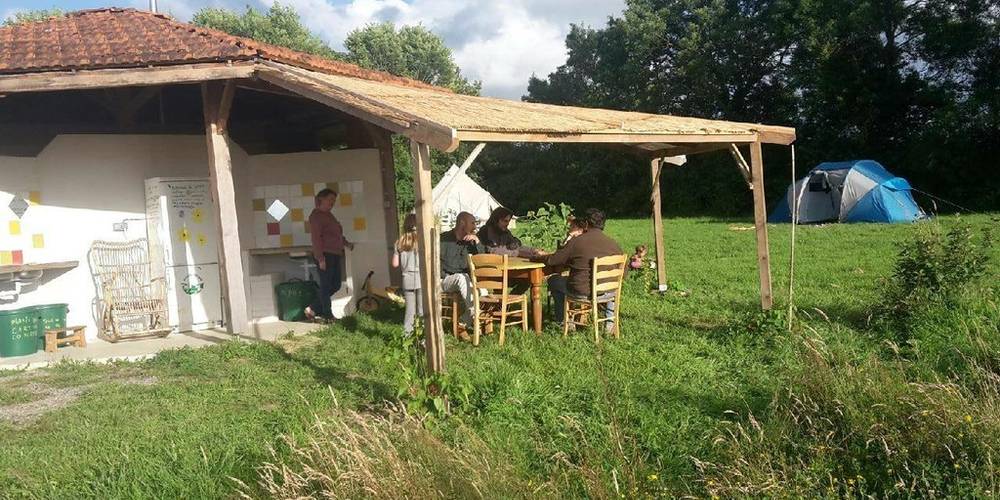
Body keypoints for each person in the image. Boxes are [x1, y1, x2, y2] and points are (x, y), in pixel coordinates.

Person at [545, 208, 623, 330]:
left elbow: (553, 260)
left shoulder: (577, 242)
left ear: (586, 223)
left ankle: (565, 322)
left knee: (554, 281)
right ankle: (609, 325)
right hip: (608, 291)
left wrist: (539, 256)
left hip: (582, 292)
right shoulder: (613, 244)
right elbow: (624, 272)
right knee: (607, 287)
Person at [305, 188, 354, 322]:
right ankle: (327, 315)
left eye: (334, 200)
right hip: (325, 254)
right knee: (326, 286)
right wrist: (320, 258)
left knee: (336, 284)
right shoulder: (316, 216)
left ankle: (312, 308)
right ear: (321, 199)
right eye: (330, 199)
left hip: (335, 253)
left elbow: (336, 234)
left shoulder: (329, 215)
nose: (332, 202)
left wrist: (346, 243)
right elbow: (316, 238)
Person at [440, 211, 484, 336]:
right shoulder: (443, 240)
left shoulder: (471, 241)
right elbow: (434, 263)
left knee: (484, 290)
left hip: (467, 280)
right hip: (444, 280)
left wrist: (478, 242)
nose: (475, 227)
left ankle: (462, 323)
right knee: (461, 276)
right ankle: (477, 316)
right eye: (472, 223)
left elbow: (483, 260)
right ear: (462, 223)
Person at [392, 214, 421, 336]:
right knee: (422, 310)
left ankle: (406, 336)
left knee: (409, 310)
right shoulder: (421, 240)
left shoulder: (399, 242)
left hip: (406, 279)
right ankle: (423, 337)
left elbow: (394, 264)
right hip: (420, 278)